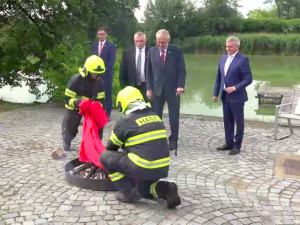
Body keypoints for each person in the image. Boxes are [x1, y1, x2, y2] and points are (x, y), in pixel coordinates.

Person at [100, 86, 181, 208]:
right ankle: (166, 189)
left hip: (142, 166)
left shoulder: (124, 121)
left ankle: (127, 191)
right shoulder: (155, 115)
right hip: (161, 167)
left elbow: (111, 148)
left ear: (124, 104)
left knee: (105, 156)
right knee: (144, 189)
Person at [146, 29, 186, 152]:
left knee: (174, 116)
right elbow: (148, 71)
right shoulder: (151, 51)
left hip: (173, 89)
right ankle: (157, 139)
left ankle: (173, 140)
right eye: (158, 42)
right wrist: (149, 88)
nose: (160, 45)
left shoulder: (176, 51)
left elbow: (181, 70)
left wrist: (180, 85)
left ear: (168, 40)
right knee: (156, 116)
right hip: (157, 89)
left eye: (163, 42)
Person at [213, 36, 253, 155]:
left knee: (238, 122)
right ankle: (228, 143)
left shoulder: (243, 59)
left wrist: (235, 87)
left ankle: (237, 146)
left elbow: (248, 79)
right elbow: (219, 78)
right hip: (225, 96)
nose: (227, 48)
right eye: (226, 46)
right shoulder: (223, 58)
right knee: (227, 121)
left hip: (237, 96)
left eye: (230, 46)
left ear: (237, 46)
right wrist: (215, 93)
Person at [61, 55, 106, 152]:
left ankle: (95, 144)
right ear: (87, 70)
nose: (96, 75)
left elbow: (102, 100)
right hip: (76, 108)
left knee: (98, 122)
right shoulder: (76, 80)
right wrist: (78, 102)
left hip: (91, 108)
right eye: (94, 73)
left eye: (98, 74)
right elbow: (67, 99)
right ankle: (67, 141)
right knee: (70, 124)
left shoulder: (100, 82)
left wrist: (97, 106)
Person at [91, 27, 116, 119]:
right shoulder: (94, 45)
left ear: (106, 35)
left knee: (107, 94)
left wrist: (103, 71)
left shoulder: (111, 45)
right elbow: (92, 59)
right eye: (99, 34)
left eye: (102, 34)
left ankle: (107, 113)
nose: (100, 36)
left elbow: (111, 61)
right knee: (95, 94)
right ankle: (96, 112)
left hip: (107, 74)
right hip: (95, 75)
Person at [119, 31, 150, 101]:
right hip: (132, 87)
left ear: (145, 40)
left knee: (147, 109)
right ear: (134, 41)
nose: (139, 43)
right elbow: (122, 71)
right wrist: (124, 88)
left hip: (147, 86)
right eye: (137, 41)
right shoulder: (127, 53)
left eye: (141, 41)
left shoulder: (152, 51)